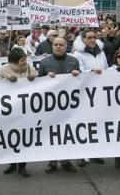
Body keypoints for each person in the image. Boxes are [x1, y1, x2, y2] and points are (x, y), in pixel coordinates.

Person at [38, 37, 81, 174]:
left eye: (61, 45)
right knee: (52, 134)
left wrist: (77, 74)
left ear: (66, 46)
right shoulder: (44, 62)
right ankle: (52, 162)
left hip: (69, 105)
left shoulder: (74, 61)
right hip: (51, 106)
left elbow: (80, 82)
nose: (58, 47)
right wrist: (45, 77)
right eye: (55, 45)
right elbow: (38, 83)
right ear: (52, 47)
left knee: (66, 134)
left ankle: (66, 161)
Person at [0, 48, 37, 178]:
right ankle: (12, 164)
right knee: (11, 138)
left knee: (23, 138)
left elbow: (40, 85)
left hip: (26, 110)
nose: (25, 62)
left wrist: (34, 78)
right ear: (14, 62)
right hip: (10, 110)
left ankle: (22, 166)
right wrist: (7, 80)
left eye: (25, 59)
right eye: (22, 60)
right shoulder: (4, 69)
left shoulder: (30, 69)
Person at [72, 29, 108, 166]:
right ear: (83, 39)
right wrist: (91, 72)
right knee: (83, 124)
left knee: (97, 124)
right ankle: (81, 155)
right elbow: (78, 72)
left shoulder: (101, 52)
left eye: (94, 37)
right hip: (85, 93)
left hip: (99, 92)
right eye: (89, 38)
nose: (93, 40)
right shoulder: (77, 54)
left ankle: (94, 153)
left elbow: (106, 68)